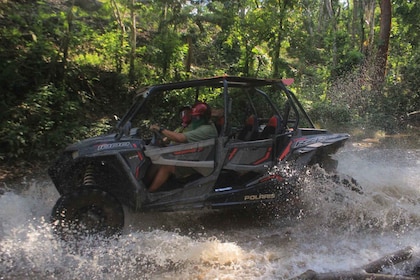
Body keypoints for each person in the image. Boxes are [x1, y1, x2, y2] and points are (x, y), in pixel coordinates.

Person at [148, 102, 218, 192]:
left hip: (198, 162)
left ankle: (150, 193)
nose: (195, 119)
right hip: (191, 156)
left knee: (167, 166)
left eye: (197, 117)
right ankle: (145, 186)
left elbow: (180, 138)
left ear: (204, 117)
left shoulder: (206, 129)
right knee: (156, 161)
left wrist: (160, 129)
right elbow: (175, 136)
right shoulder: (194, 126)